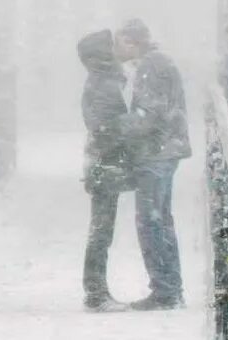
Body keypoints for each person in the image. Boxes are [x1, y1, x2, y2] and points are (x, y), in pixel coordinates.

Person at [114, 17, 191, 311]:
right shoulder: (157, 63)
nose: (117, 48)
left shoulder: (151, 66)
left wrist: (115, 126)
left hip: (156, 153)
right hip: (164, 151)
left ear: (134, 41)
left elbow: (150, 114)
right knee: (159, 220)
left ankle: (165, 291)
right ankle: (170, 288)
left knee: (151, 222)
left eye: (121, 41)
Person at [78, 29, 134, 312]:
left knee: (101, 229)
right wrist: (131, 128)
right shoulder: (105, 84)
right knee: (101, 230)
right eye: (111, 45)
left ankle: (96, 290)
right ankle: (96, 293)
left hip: (103, 162)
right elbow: (105, 127)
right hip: (106, 163)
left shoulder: (103, 81)